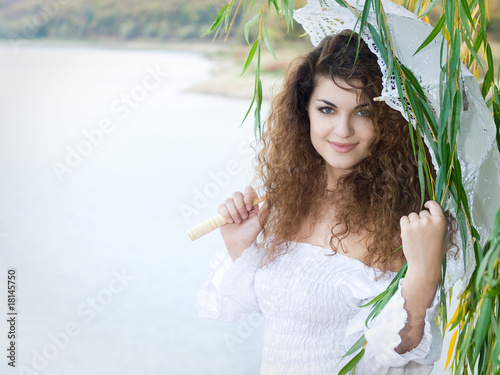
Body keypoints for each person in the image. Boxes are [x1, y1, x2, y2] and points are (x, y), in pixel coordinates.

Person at [197, 30, 451, 374]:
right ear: (306, 112)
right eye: (327, 109)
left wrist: (423, 275)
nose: (342, 130)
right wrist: (241, 248)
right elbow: (268, 308)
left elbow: (399, 351)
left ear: (389, 119)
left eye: (363, 112)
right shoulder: (289, 198)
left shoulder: (409, 217)